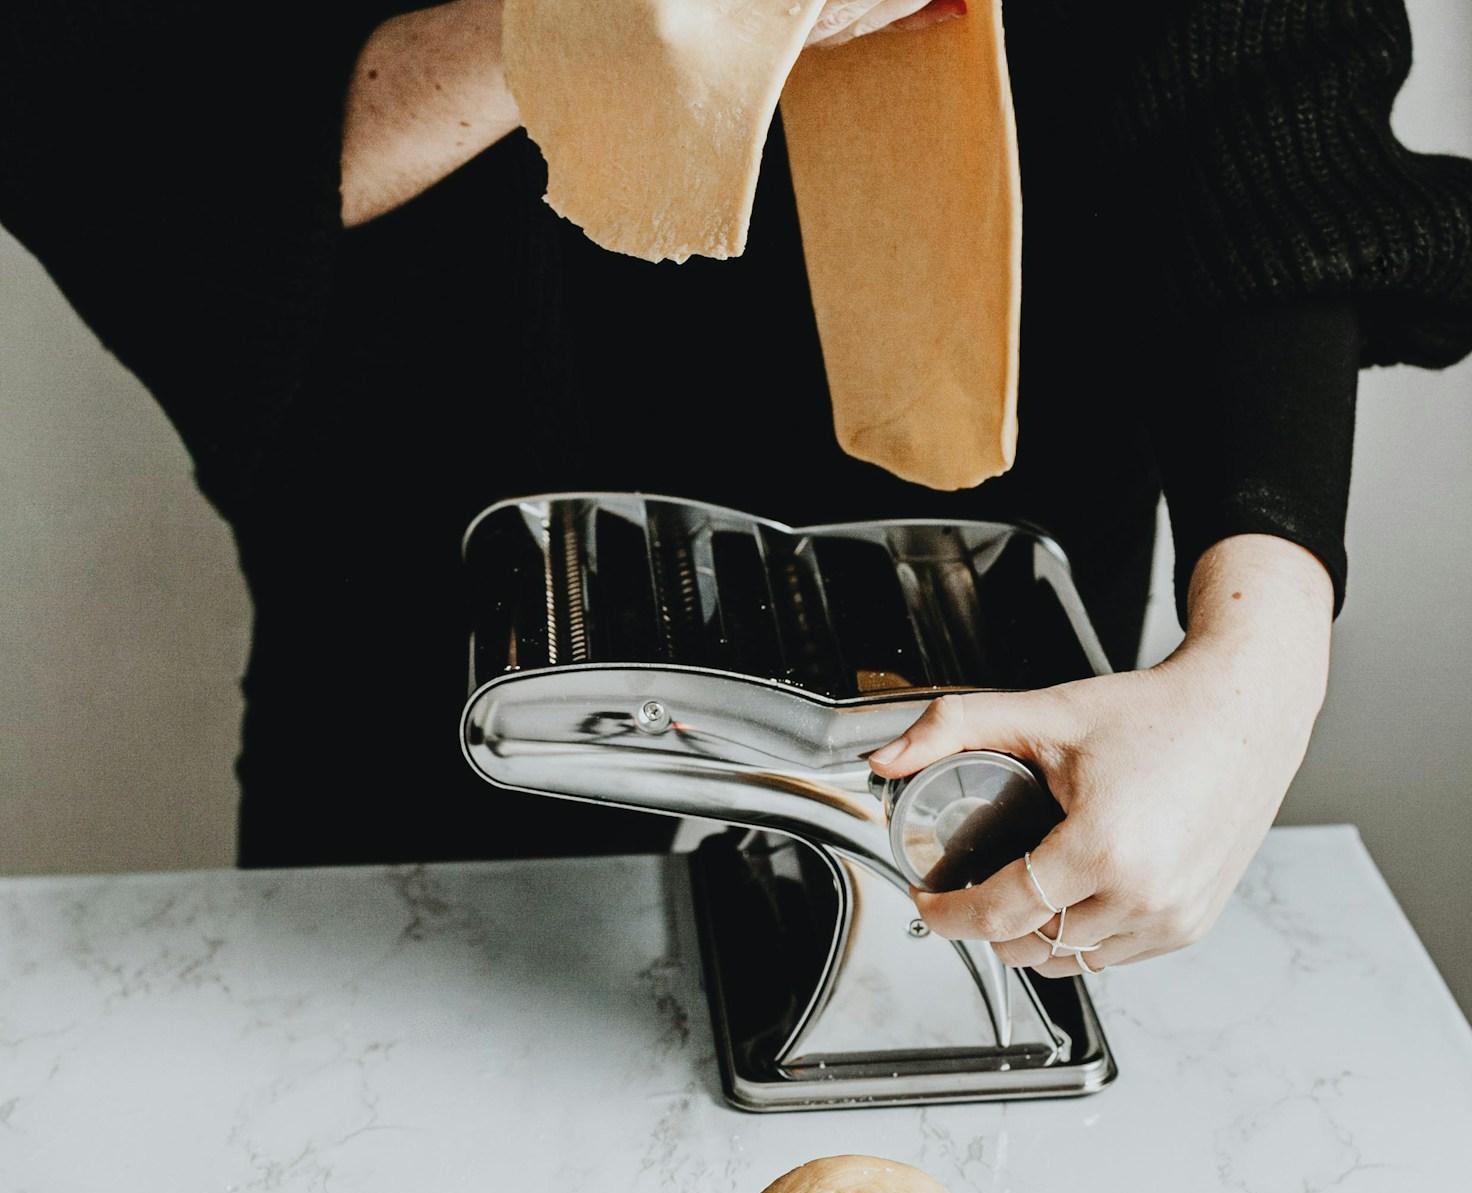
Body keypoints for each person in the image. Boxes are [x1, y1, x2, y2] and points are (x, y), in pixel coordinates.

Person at [1, 0, 1469, 974]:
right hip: (426, 685)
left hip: (1008, 731)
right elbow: (91, 101)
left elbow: (1260, 107)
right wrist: (580, 22)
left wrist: (1258, 668)